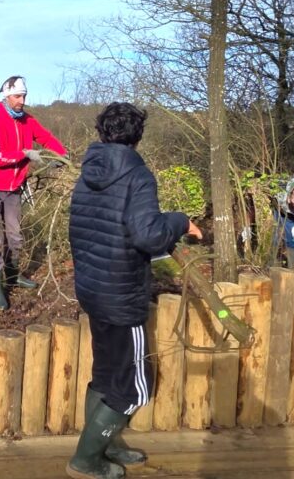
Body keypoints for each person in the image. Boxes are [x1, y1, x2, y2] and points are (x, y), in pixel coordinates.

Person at [67, 102, 202, 479]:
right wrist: (179, 221)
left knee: (107, 373)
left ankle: (105, 444)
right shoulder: (137, 175)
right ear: (137, 135)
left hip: (93, 288)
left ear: (102, 131)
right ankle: (86, 460)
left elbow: (79, 231)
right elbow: (148, 234)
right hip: (121, 294)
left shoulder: (88, 172)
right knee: (132, 386)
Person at [0, 75, 67, 310]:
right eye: (17, 96)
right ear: (6, 96)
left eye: (24, 96)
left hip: (14, 188)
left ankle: (13, 276)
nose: (21, 100)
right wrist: (26, 154)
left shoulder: (26, 120)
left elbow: (44, 136)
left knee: (15, 236)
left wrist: (60, 154)